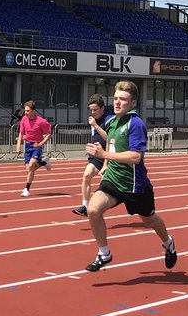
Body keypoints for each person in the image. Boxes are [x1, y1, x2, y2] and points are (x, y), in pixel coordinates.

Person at [83, 80, 178, 272]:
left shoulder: (136, 124)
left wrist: (104, 156)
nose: (118, 102)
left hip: (135, 185)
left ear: (133, 103)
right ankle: (104, 253)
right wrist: (106, 166)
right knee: (93, 210)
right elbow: (110, 142)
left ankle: (168, 243)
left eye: (123, 99)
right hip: (113, 180)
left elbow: (136, 157)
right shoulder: (111, 121)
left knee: (149, 220)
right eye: (116, 98)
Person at [72, 93, 111, 215]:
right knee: (86, 175)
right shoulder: (92, 120)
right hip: (95, 156)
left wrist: (95, 126)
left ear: (102, 108)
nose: (93, 112)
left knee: (104, 185)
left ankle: (98, 207)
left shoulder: (109, 120)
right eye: (91, 110)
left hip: (108, 156)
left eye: (95, 109)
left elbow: (110, 138)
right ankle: (85, 206)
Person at [14, 100, 53, 197]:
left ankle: (26, 189)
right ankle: (43, 162)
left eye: (27, 111)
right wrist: (18, 146)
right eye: (25, 111)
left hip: (37, 146)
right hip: (27, 145)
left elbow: (48, 135)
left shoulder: (41, 121)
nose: (25, 113)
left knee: (31, 166)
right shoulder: (24, 119)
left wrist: (40, 144)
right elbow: (21, 133)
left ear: (33, 111)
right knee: (29, 170)